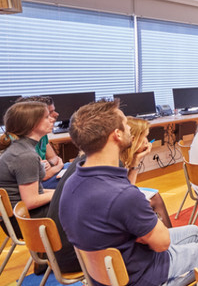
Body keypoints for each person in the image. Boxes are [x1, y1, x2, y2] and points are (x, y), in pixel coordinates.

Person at [59, 100, 198, 285]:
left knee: (193, 232)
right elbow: (162, 243)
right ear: (117, 135)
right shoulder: (124, 196)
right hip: (145, 273)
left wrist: (137, 234)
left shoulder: (72, 183)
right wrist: (142, 234)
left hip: (110, 272)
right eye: (126, 124)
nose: (130, 127)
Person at [48, 117, 172, 273]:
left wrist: (135, 161)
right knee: (148, 212)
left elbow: (125, 191)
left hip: (62, 249)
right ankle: (165, 254)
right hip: (83, 256)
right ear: (130, 139)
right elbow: (126, 195)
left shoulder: (85, 162)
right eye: (144, 137)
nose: (148, 142)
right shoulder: (109, 165)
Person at [0, 101, 55, 238]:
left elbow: (36, 191)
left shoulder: (20, 148)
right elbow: (31, 201)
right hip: (25, 220)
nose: (52, 119)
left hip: (21, 216)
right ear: (32, 124)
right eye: (47, 117)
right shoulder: (25, 155)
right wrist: (61, 193)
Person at [15, 96, 64, 189]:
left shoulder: (41, 134)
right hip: (35, 186)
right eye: (49, 113)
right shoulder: (20, 145)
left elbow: (54, 158)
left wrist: (50, 164)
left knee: (73, 167)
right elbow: (43, 176)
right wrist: (57, 167)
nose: (56, 115)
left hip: (44, 176)